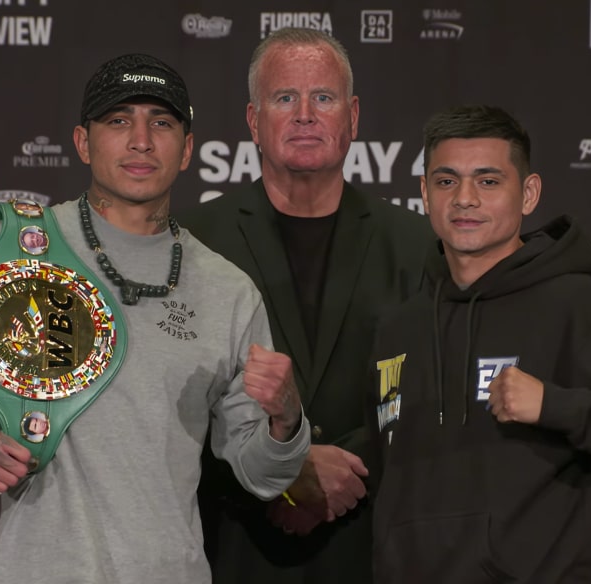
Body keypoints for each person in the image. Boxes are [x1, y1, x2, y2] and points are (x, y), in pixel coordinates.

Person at [0, 53, 310, 584]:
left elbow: (263, 474)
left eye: (162, 122)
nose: (141, 140)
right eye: (118, 120)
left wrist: (286, 420)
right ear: (84, 142)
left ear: (187, 149)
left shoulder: (228, 291)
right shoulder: (15, 249)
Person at [368, 104, 591, 583]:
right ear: (424, 194)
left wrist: (555, 405)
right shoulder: (398, 328)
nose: (464, 199)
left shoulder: (579, 304)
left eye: (488, 181)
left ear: (528, 194)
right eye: (446, 181)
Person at [177, 28, 434, 584]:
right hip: (234, 545)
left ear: (354, 116)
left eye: (323, 97)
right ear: (253, 121)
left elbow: (431, 390)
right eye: (284, 98)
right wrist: (290, 470)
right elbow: (171, 398)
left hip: (373, 544)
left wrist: (336, 475)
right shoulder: (193, 243)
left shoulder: (416, 244)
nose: (305, 115)